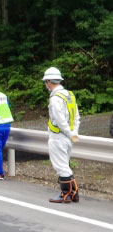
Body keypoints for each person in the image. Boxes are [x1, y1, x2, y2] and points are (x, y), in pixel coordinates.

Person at [43, 67, 81, 203]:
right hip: (68, 137)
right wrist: (73, 132)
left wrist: (68, 132)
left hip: (58, 136)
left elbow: (59, 120)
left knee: (61, 166)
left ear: (48, 81)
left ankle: (65, 193)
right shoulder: (69, 95)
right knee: (65, 164)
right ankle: (74, 193)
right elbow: (76, 116)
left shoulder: (55, 99)